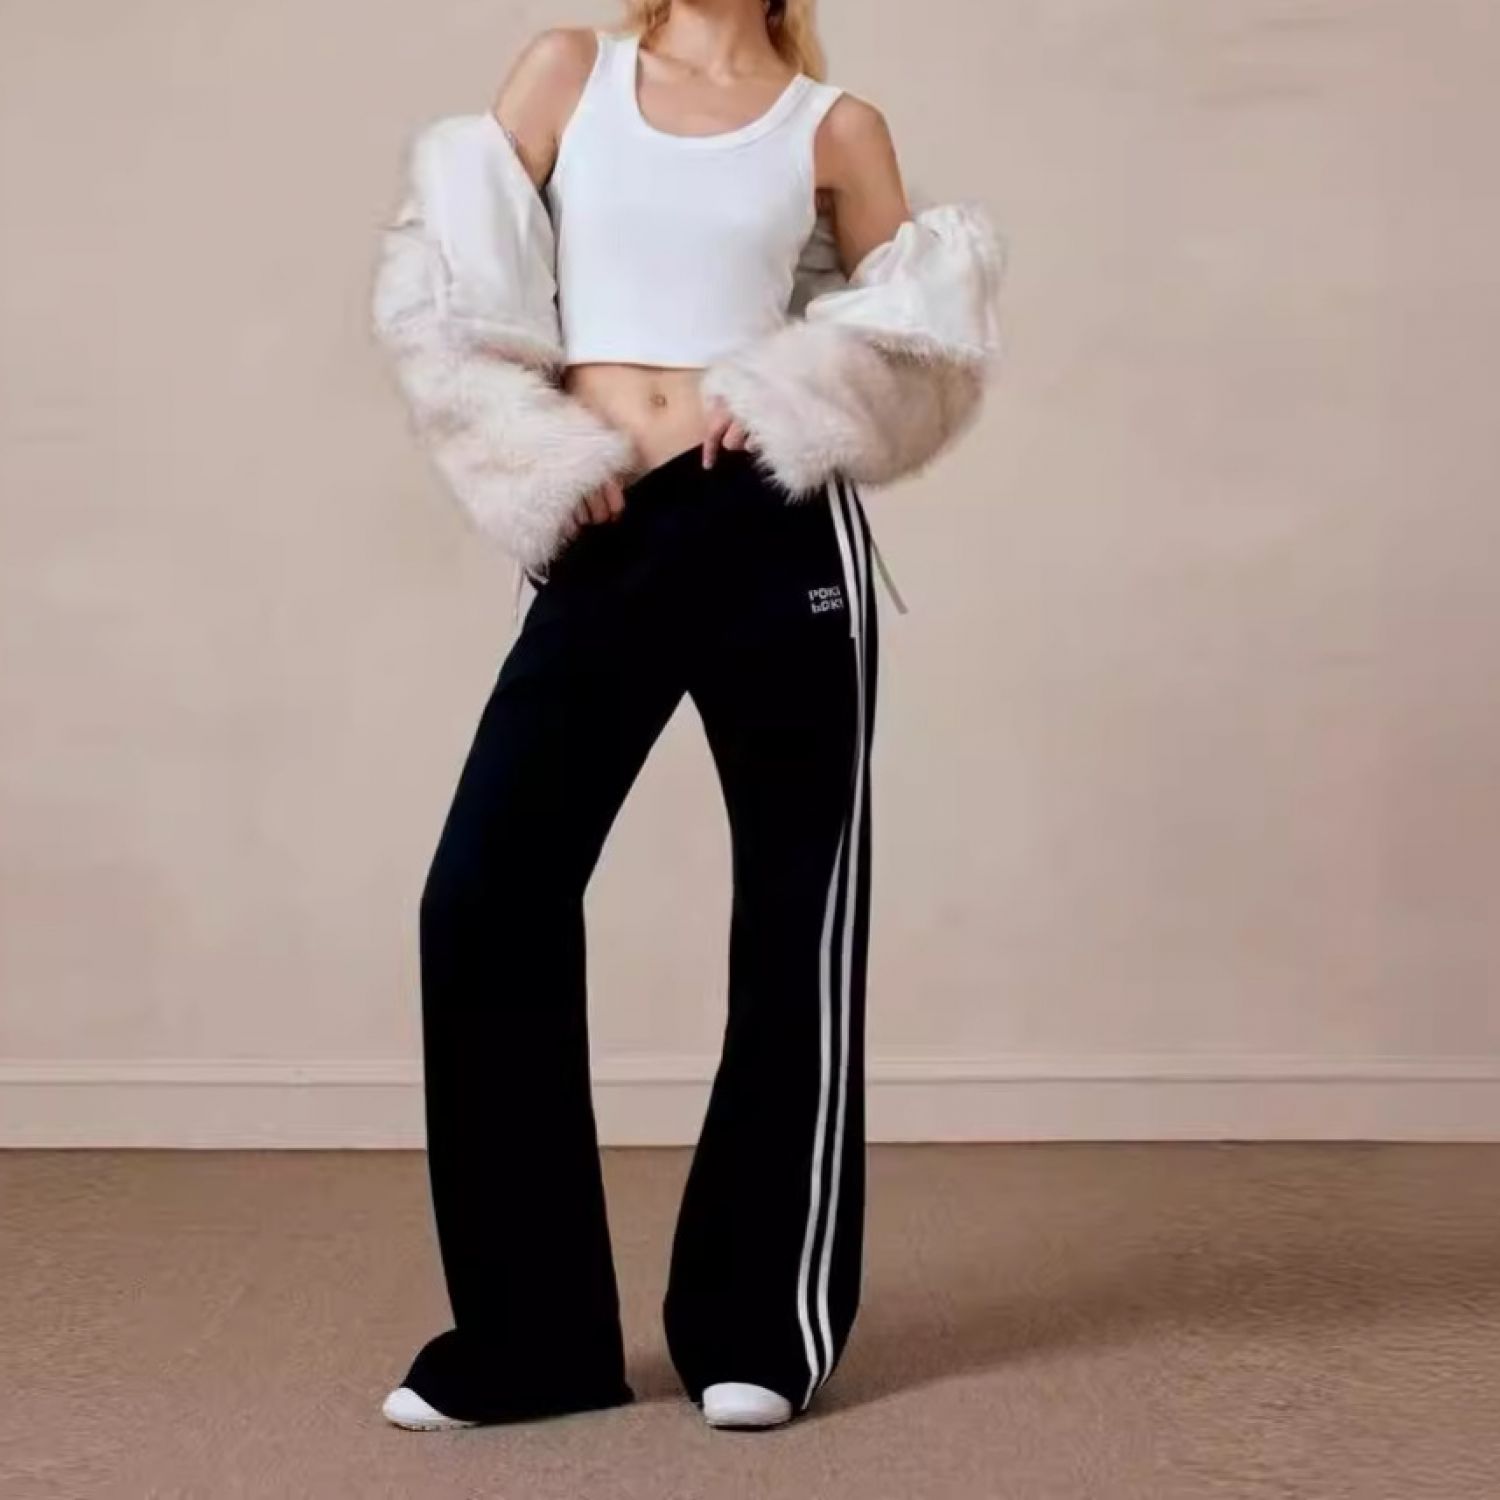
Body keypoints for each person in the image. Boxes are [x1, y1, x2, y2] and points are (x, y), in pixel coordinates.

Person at [369, 0, 1003, 1433]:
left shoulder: (835, 127)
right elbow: (447, 284)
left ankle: (760, 1326)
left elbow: (925, 338)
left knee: (796, 916)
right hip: (608, 522)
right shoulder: (571, 72)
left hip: (775, 527)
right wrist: (529, 444)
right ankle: (532, 1341)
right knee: (485, 896)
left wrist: (798, 388)